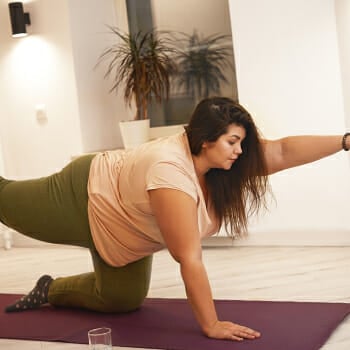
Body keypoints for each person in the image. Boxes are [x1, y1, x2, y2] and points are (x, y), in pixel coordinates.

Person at [0, 96, 349, 342]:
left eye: (240, 142)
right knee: (5, 202)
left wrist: (345, 141)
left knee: (121, 300)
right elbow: (189, 258)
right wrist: (210, 324)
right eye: (233, 142)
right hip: (81, 197)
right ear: (205, 139)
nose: (240, 151)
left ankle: (49, 288)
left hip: (124, 233)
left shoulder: (217, 160)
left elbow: (281, 151)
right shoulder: (170, 172)